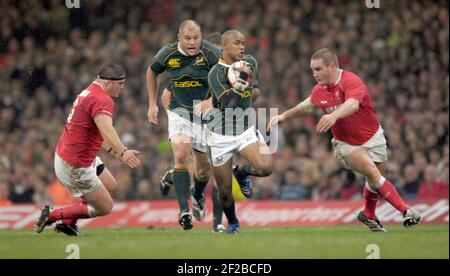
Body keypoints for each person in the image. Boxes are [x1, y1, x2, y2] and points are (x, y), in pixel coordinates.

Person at [267, 48, 422, 232]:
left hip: (374, 136)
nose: (314, 74)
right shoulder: (319, 90)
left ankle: (368, 215)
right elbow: (306, 107)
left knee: (375, 181)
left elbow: (352, 104)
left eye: (318, 69)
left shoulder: (351, 81)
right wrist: (283, 116)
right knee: (372, 173)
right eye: (312, 70)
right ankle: (406, 211)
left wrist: (334, 116)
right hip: (345, 143)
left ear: (332, 66)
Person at [34, 64, 141, 236]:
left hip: (76, 155)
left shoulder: (90, 91)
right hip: (75, 165)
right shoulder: (103, 99)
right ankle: (54, 215)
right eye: (120, 83)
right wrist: (122, 151)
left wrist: (112, 151)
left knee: (111, 187)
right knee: (105, 207)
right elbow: (107, 129)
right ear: (107, 83)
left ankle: (68, 223)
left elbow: (93, 131)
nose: (123, 87)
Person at [146, 20, 222, 230]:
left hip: (206, 116)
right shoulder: (167, 54)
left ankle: (196, 195)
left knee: (203, 172)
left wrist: (212, 101)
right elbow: (152, 72)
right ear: (179, 37)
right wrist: (152, 104)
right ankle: (183, 211)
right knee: (180, 155)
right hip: (180, 113)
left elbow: (227, 77)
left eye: (196, 38)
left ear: (201, 36)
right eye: (187, 38)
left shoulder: (211, 53)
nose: (192, 42)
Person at [206, 30, 273, 233]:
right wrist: (240, 82)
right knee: (224, 192)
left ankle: (241, 172)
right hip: (220, 135)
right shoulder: (215, 73)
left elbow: (256, 90)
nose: (242, 47)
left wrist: (246, 90)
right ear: (224, 46)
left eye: (243, 43)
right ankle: (233, 223)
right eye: (237, 43)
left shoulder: (250, 62)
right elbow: (227, 106)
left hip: (244, 130)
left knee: (265, 167)